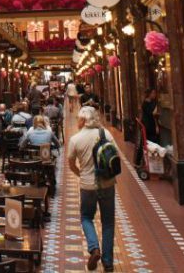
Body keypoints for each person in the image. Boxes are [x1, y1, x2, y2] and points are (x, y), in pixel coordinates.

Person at [67, 106, 116, 271]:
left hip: (87, 185)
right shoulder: (106, 134)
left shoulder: (76, 139)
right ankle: (108, 262)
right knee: (108, 222)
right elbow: (115, 157)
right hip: (108, 183)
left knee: (86, 217)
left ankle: (94, 248)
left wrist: (81, 174)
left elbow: (71, 163)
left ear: (82, 120)